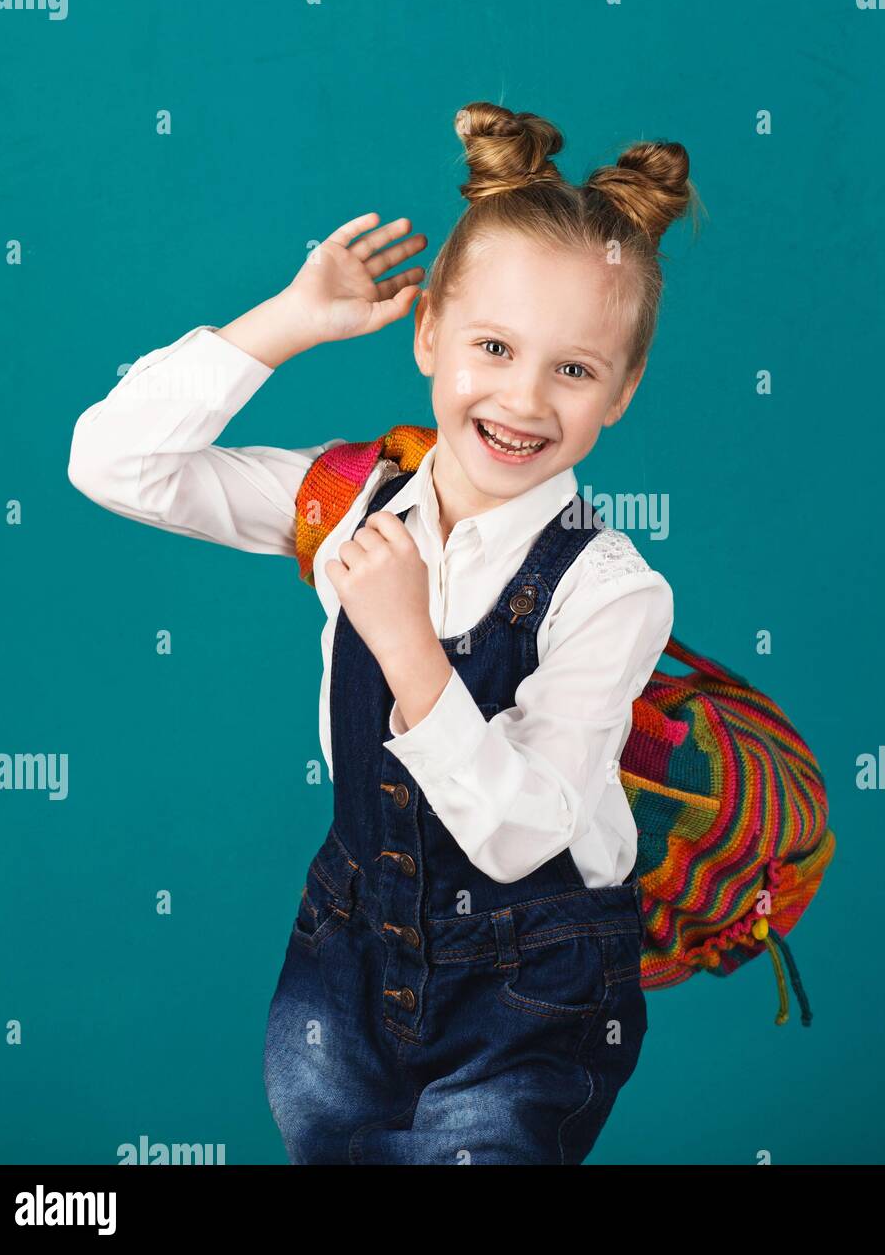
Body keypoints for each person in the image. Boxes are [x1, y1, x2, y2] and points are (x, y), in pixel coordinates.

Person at [67, 100, 699, 1164]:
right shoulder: (350, 501)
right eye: (492, 346)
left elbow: (518, 833)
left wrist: (408, 647)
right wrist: (285, 321)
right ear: (427, 336)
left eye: (574, 369)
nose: (523, 397)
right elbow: (114, 462)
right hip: (347, 958)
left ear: (620, 393)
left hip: (531, 990)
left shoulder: (611, 591)